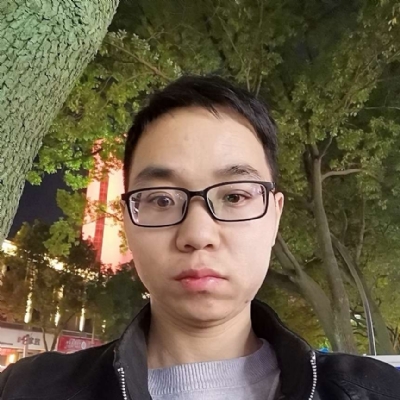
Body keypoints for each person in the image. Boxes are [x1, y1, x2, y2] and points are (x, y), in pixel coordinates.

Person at [1, 75, 399, 400]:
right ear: (127, 222)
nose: (197, 234)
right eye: (161, 199)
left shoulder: (378, 391)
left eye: (234, 196)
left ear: (274, 216)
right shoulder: (28, 389)